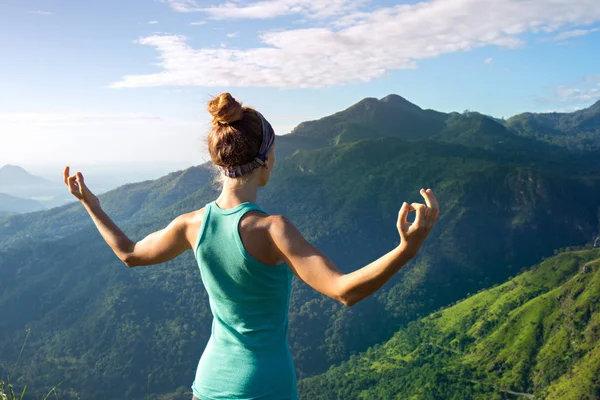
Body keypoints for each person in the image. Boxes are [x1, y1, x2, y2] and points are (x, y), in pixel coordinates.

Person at [63, 92, 439, 400]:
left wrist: (92, 206)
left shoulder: (190, 225)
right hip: (264, 387)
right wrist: (407, 248)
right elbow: (344, 292)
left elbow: (129, 254)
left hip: (208, 386)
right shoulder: (273, 230)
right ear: (266, 161)